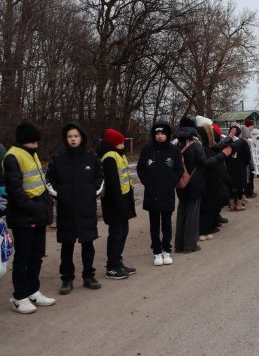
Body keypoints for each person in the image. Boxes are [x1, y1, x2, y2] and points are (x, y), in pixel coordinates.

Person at [47, 122, 105, 294]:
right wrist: (60, 195)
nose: (73, 139)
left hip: (87, 209)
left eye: (76, 136)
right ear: (66, 139)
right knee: (67, 246)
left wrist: (91, 192)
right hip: (66, 210)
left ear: (82, 138)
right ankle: (67, 279)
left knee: (88, 245)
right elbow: (49, 180)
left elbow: (100, 178)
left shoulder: (92, 157)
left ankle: (89, 276)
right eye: (70, 136)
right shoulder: (58, 158)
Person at [3, 122, 55, 313]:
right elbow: (15, 191)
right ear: (26, 140)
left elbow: (37, 183)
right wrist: (34, 208)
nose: (36, 145)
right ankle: (19, 297)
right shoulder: (13, 157)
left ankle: (33, 291)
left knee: (37, 255)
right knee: (23, 258)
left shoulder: (31, 154)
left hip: (38, 214)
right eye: (33, 141)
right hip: (24, 217)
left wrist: (46, 204)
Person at [174, 117, 230, 253]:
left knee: (181, 214)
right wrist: (222, 155)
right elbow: (206, 163)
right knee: (192, 214)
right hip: (195, 183)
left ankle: (179, 244)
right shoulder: (195, 145)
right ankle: (189, 245)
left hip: (181, 184)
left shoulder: (176, 144)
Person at [137, 122, 182, 266]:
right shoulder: (147, 149)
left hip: (167, 193)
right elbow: (140, 169)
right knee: (154, 224)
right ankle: (157, 252)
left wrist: (172, 182)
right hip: (152, 193)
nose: (160, 136)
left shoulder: (173, 150)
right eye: (157, 134)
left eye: (162, 133)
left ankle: (166, 250)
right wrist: (147, 183)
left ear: (167, 135)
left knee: (167, 223)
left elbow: (179, 169)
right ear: (154, 135)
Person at [98, 128, 137, 280]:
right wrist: (121, 205)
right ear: (114, 143)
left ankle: (118, 262)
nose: (123, 145)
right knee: (116, 234)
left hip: (123, 201)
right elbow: (113, 185)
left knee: (123, 232)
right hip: (114, 204)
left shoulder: (119, 155)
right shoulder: (109, 157)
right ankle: (112, 266)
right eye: (120, 142)